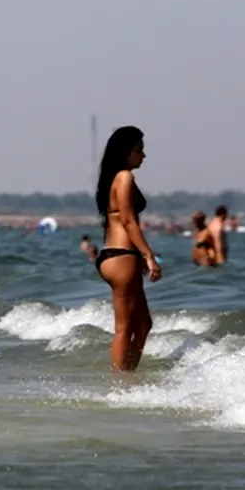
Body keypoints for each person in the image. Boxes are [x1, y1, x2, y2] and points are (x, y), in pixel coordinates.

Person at [94, 126, 160, 372]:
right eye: (139, 150)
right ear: (126, 151)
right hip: (122, 257)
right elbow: (128, 221)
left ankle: (127, 376)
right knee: (124, 327)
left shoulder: (114, 178)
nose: (143, 156)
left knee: (143, 325)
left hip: (117, 256)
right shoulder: (124, 177)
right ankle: (118, 384)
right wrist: (149, 255)